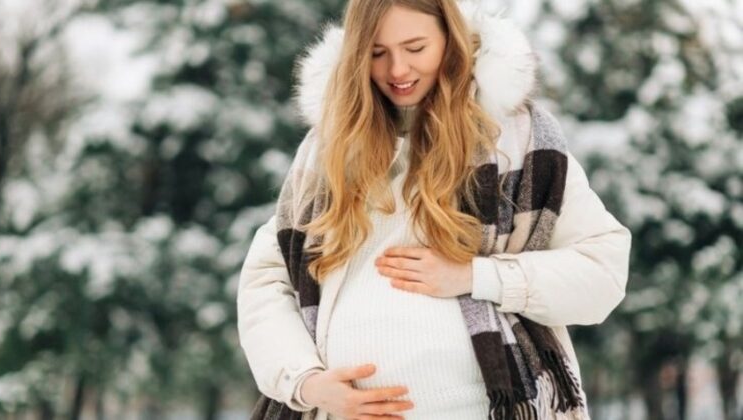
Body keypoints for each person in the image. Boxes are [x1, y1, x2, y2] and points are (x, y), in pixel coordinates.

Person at [237, 0, 632, 419]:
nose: (398, 70)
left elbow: (601, 272)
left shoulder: (517, 139)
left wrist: (476, 276)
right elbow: (266, 281)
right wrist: (306, 382)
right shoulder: (327, 150)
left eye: (415, 47)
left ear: (451, 38)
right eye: (376, 52)